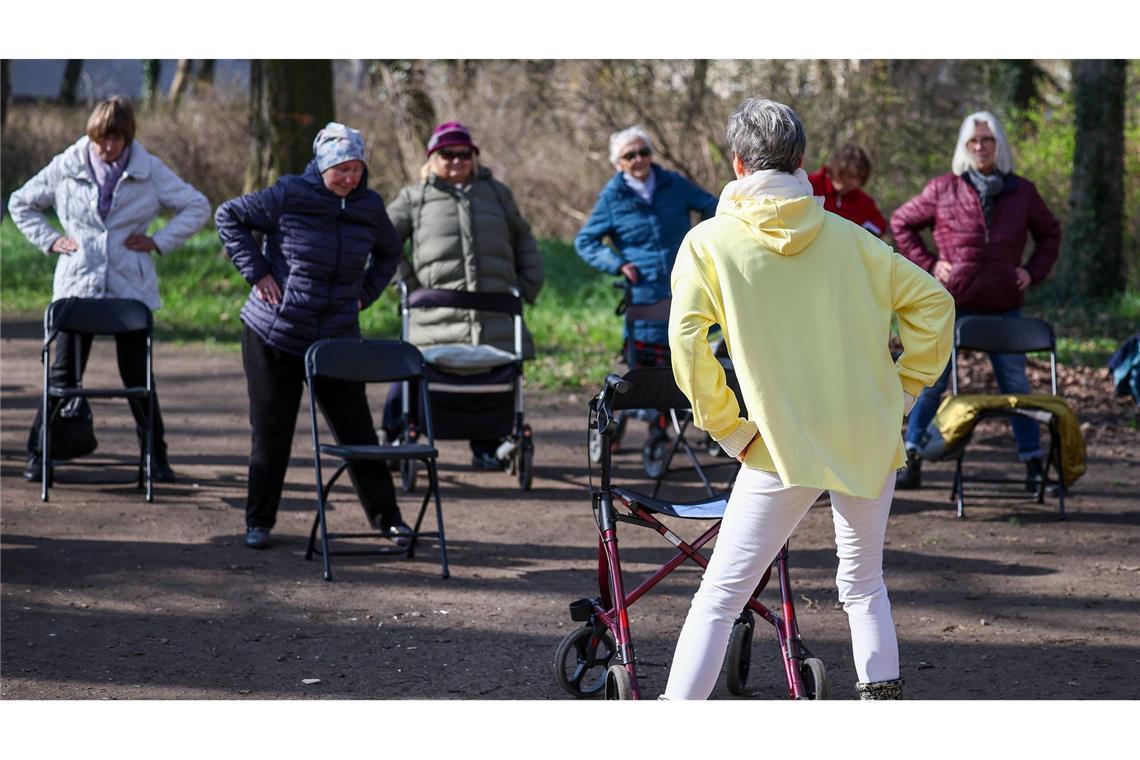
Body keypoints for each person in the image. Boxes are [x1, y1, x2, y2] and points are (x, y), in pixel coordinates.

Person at [663, 98, 954, 700]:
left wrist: (728, 428)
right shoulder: (854, 240)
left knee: (721, 596)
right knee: (864, 585)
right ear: (801, 161)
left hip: (776, 440)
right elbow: (935, 304)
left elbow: (688, 344)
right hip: (866, 430)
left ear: (738, 163)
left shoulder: (708, 243)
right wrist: (902, 390)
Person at [215, 122, 411, 550]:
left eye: (357, 169)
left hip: (336, 340)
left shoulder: (369, 206)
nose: (350, 177)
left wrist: (364, 294)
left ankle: (388, 519)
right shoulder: (289, 194)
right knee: (271, 430)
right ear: (323, 166)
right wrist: (259, 272)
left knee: (357, 430)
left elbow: (390, 252)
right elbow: (228, 215)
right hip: (275, 332)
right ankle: (259, 522)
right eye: (341, 169)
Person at [8, 95, 210, 484]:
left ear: (128, 137)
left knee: (137, 377)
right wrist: (51, 239)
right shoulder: (67, 165)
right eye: (102, 138)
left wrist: (158, 240)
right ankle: (40, 452)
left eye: (116, 139)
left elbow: (196, 206)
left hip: (128, 290)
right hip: (77, 285)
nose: (108, 147)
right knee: (63, 376)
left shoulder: (149, 169)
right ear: (91, 133)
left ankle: (156, 457)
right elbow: (21, 203)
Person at [890, 110, 1062, 489]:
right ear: (964, 147)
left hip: (1004, 306)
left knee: (1015, 386)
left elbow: (1051, 234)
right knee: (932, 381)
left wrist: (1032, 272)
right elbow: (901, 222)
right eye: (974, 141)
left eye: (987, 140)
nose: (981, 147)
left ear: (998, 144)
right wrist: (931, 264)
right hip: (954, 303)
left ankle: (1034, 466)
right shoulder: (943, 188)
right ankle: (911, 456)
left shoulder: (1023, 192)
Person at [385, 121, 544, 470]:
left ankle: (489, 445)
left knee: (493, 377)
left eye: (463, 154)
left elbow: (523, 238)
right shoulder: (415, 197)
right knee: (406, 366)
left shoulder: (497, 194)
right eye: (447, 154)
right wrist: (408, 283)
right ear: (432, 158)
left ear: (474, 157)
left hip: (494, 317)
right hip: (433, 319)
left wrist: (530, 282)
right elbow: (384, 238)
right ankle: (396, 432)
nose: (456, 161)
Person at [574, 125, 718, 350]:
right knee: (649, 363)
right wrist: (618, 264)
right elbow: (585, 242)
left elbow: (712, 206)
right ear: (617, 164)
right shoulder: (612, 197)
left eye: (644, 152)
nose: (638, 159)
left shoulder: (674, 183)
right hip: (644, 290)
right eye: (630, 156)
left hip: (685, 280)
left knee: (695, 348)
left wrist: (706, 245)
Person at [808, 143, 888, 236]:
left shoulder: (864, 203)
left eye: (860, 178)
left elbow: (879, 228)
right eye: (850, 176)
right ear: (837, 169)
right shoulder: (809, 185)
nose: (855, 183)